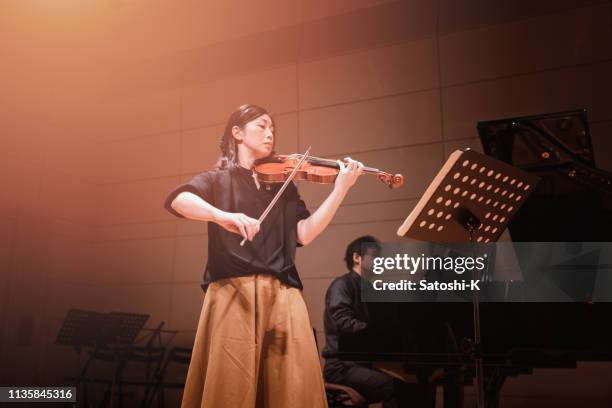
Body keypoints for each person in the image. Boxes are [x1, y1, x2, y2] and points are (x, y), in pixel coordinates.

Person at [164, 104, 364, 408]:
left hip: (283, 295)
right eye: (261, 126)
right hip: (233, 294)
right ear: (237, 133)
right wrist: (221, 216)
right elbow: (178, 201)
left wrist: (340, 189)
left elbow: (305, 234)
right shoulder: (218, 179)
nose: (270, 133)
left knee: (292, 390)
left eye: (273, 129)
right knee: (231, 391)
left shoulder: (284, 186)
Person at [322, 236, 464, 408]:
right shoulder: (341, 285)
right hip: (341, 367)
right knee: (396, 388)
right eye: (374, 256)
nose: (379, 262)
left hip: (363, 363)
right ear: (357, 258)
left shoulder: (371, 289)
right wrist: (377, 331)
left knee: (414, 386)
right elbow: (343, 322)